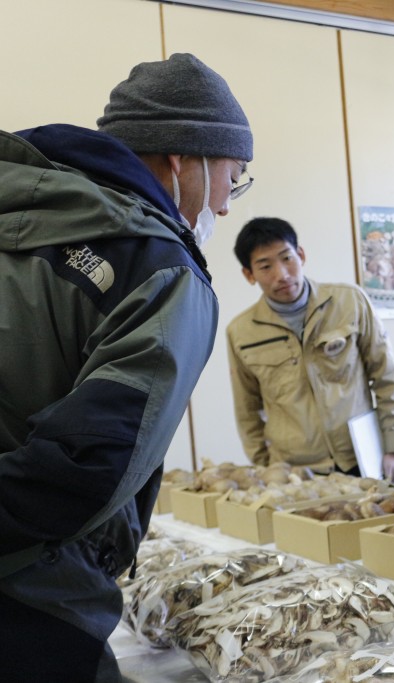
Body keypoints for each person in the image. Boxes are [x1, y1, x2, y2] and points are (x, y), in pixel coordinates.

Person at [0, 54, 253, 681]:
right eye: (232, 176)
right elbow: (90, 462)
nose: (224, 205)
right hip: (31, 593)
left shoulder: (20, 214)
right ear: (181, 162)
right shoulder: (160, 270)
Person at [227, 217, 394, 480]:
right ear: (249, 275)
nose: (282, 274)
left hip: (361, 459)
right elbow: (247, 409)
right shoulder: (241, 331)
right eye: (265, 266)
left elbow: (386, 376)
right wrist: (266, 465)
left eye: (287, 258)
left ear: (301, 255)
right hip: (294, 471)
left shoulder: (349, 301)